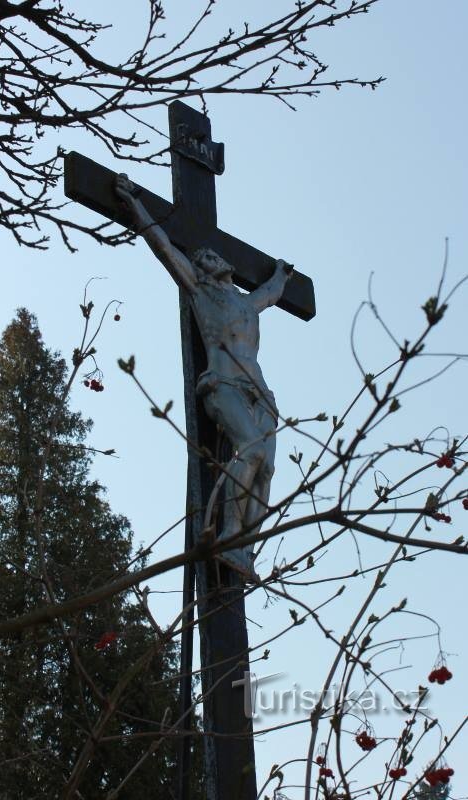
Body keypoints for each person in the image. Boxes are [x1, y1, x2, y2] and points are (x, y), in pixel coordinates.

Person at [115, 174, 293, 580]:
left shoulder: (249, 303)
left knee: (265, 468)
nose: (203, 263)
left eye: (209, 258)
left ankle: (245, 547)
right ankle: (230, 533)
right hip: (223, 383)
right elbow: (163, 246)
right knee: (249, 449)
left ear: (225, 263)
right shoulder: (200, 291)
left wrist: (282, 273)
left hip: (259, 391)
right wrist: (134, 205)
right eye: (199, 262)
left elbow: (273, 290)